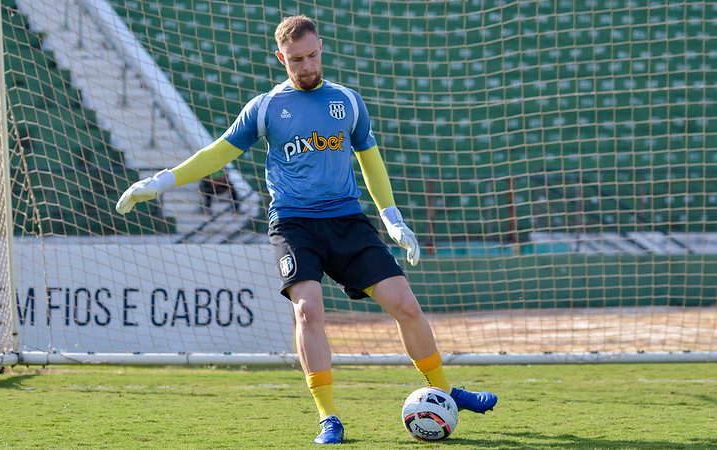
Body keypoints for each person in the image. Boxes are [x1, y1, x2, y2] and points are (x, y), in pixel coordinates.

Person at [116, 15, 497, 445]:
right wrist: (160, 182)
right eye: (297, 59)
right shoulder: (264, 108)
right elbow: (216, 153)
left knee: (405, 303)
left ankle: (445, 390)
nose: (307, 65)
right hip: (295, 224)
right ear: (281, 58)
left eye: (313, 55)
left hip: (347, 221)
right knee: (308, 310)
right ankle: (329, 417)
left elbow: (371, 160)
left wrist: (391, 216)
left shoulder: (348, 102)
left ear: (321, 49)